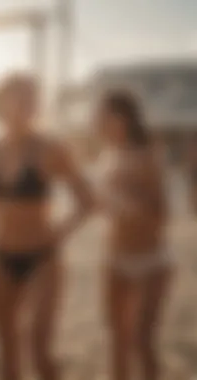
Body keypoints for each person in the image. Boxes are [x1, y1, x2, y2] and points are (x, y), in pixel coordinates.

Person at [0, 72, 94, 380]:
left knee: (40, 350)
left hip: (42, 257)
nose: (28, 103)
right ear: (1, 102)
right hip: (1, 256)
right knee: (6, 352)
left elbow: (88, 200)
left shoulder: (51, 148)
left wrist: (62, 231)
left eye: (33, 96)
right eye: (20, 95)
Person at [95, 90, 172, 380]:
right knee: (117, 341)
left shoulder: (148, 154)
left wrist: (125, 205)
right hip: (114, 257)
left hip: (150, 259)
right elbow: (105, 206)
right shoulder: (107, 155)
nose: (96, 121)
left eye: (102, 115)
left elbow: (161, 216)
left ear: (122, 117)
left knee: (143, 342)